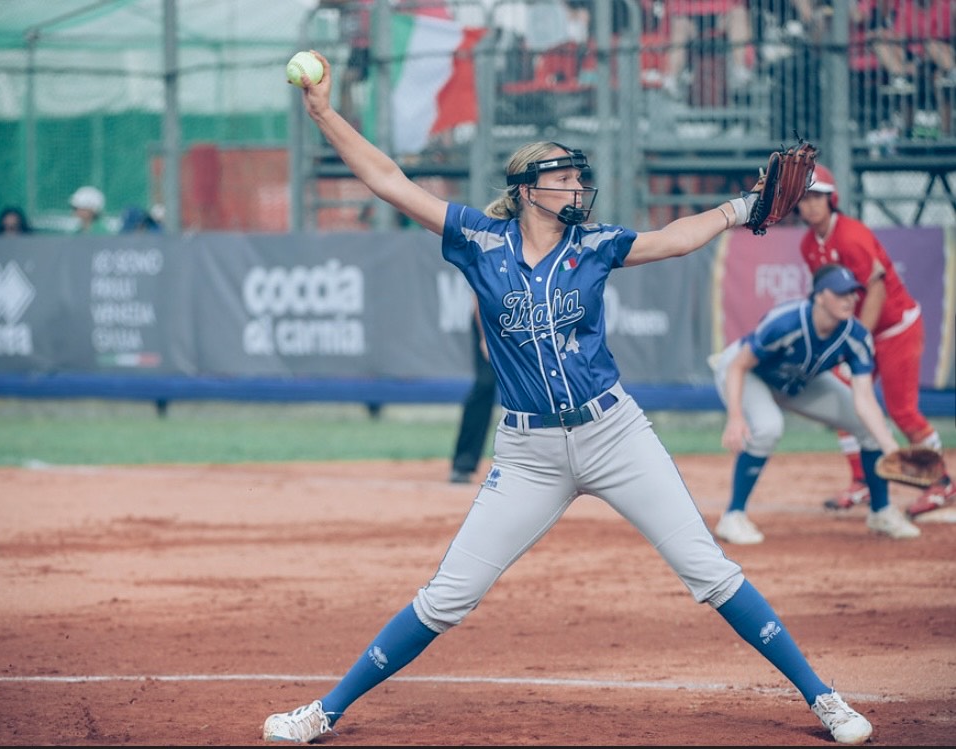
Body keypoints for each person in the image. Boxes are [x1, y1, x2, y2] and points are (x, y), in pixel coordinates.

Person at [262, 51, 874, 746]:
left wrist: (740, 207)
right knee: (447, 596)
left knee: (708, 569)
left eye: (580, 175)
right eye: (563, 175)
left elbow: (673, 239)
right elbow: (388, 180)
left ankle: (825, 698)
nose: (578, 185)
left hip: (615, 435)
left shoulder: (596, 244)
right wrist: (323, 113)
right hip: (529, 453)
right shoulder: (478, 238)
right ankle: (325, 710)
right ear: (526, 188)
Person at [710, 263, 921, 545]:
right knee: (768, 426)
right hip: (748, 373)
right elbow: (739, 365)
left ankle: (881, 512)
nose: (850, 300)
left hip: (798, 380)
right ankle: (732, 516)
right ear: (819, 296)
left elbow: (864, 398)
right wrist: (736, 416)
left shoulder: (855, 337)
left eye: (853, 294)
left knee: (871, 427)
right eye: (841, 293)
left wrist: (891, 447)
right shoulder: (787, 322)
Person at [797, 164, 955, 519]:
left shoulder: (851, 236)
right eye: (804, 197)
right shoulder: (810, 245)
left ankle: (941, 481)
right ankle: (863, 481)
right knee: (843, 400)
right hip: (863, 333)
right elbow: (829, 300)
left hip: (896, 328)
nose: (810, 205)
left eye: (817, 196)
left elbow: (877, 289)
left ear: (832, 199)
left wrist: (857, 339)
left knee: (902, 411)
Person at [448, 299, 497, 484]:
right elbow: (479, 293)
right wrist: (485, 337)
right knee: (484, 385)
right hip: (492, 319)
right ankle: (463, 463)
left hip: (531, 317)